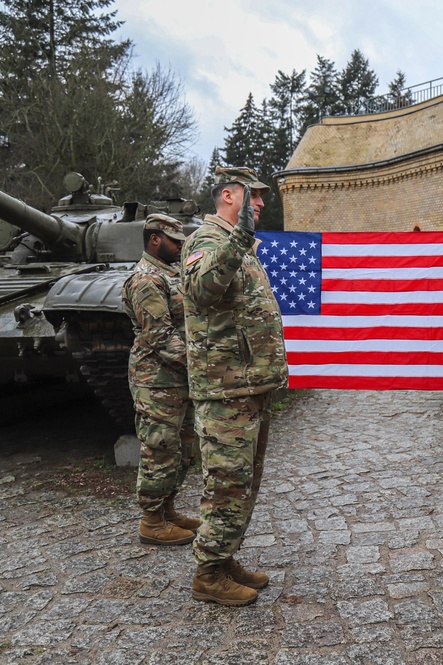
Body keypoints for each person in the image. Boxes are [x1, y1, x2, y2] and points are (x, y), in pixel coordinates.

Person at [181, 167, 288, 607]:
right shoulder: (207, 240)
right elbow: (203, 288)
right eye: (254, 196)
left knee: (244, 481)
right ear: (228, 195)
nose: (262, 203)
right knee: (227, 482)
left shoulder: (239, 244)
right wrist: (237, 241)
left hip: (247, 386)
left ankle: (224, 558)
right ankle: (208, 573)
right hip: (225, 389)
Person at [121, 213, 201, 546]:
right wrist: (202, 365)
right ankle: (151, 520)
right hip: (156, 380)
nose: (180, 246)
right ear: (155, 239)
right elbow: (161, 336)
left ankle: (167, 508)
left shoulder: (173, 274)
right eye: (174, 241)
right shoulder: (146, 280)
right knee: (159, 447)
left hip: (180, 378)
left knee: (183, 449)